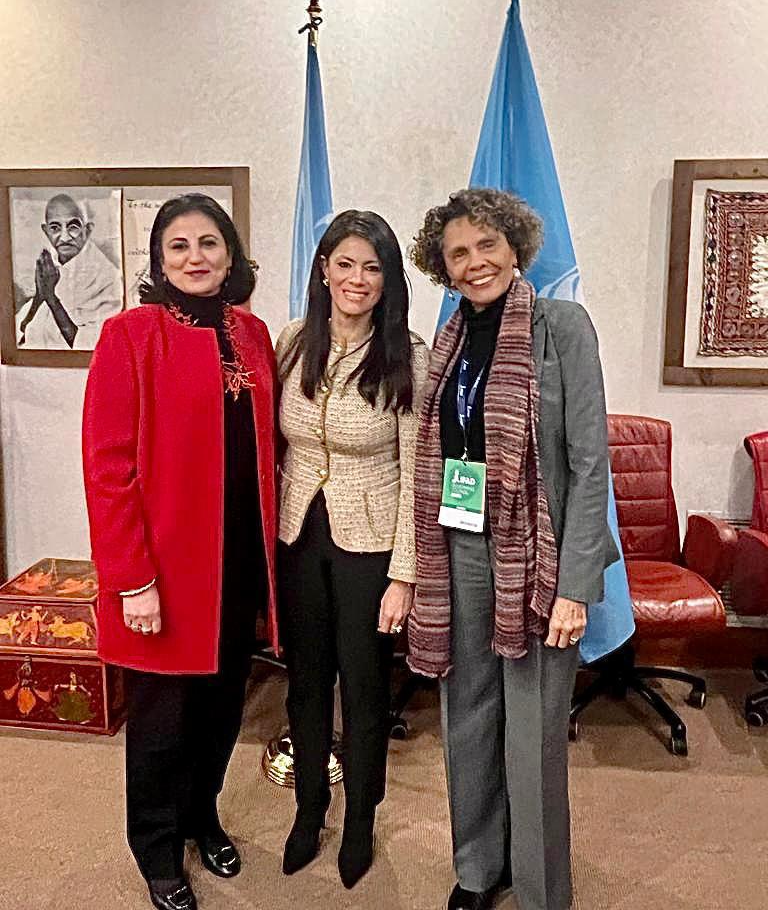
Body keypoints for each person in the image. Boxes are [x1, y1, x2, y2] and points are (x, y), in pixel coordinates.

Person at [407, 188, 618, 910]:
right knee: (466, 716)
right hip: (459, 548)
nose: (475, 263)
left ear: (515, 247)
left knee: (531, 732)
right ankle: (478, 868)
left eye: (486, 245)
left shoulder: (563, 327)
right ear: (442, 267)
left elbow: (590, 463)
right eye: (457, 253)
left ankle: (540, 891)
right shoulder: (448, 341)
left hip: (539, 557)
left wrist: (575, 587)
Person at [82, 194, 278, 910]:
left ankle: (203, 816)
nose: (196, 257)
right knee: (161, 726)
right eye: (179, 246)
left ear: (230, 254)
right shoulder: (129, 335)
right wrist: (132, 579)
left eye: (209, 243)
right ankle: (158, 851)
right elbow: (107, 468)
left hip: (239, 564)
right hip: (164, 572)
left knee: (223, 710)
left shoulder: (252, 334)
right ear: (159, 261)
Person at [275, 210, 429, 889]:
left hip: (372, 543)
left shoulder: (408, 355)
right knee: (305, 683)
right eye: (345, 264)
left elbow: (419, 471)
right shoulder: (292, 341)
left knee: (364, 687)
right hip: (297, 534)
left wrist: (406, 576)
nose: (357, 279)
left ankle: (361, 818)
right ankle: (309, 809)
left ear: (388, 280)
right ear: (323, 270)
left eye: (372, 267)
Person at [17, 193, 122, 348]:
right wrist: (40, 295)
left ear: (88, 230)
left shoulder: (107, 278)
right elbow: (21, 331)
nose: (65, 237)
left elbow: (91, 345)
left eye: (73, 227)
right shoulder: (51, 267)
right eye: (55, 228)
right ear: (46, 231)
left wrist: (51, 297)